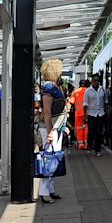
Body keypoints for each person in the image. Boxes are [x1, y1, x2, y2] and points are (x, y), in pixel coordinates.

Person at [37, 59, 66, 203]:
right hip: (50, 128)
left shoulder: (54, 86)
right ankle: (44, 192)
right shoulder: (49, 87)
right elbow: (47, 111)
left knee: (53, 159)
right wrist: (50, 131)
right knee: (49, 159)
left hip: (55, 128)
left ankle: (50, 189)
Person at [83, 74, 107, 156]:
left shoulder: (102, 90)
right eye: (94, 80)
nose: (96, 82)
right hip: (91, 114)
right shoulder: (88, 91)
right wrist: (85, 115)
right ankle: (89, 145)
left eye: (98, 81)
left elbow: (105, 101)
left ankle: (98, 150)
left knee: (99, 132)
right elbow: (85, 104)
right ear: (92, 81)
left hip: (100, 113)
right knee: (91, 131)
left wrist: (106, 111)